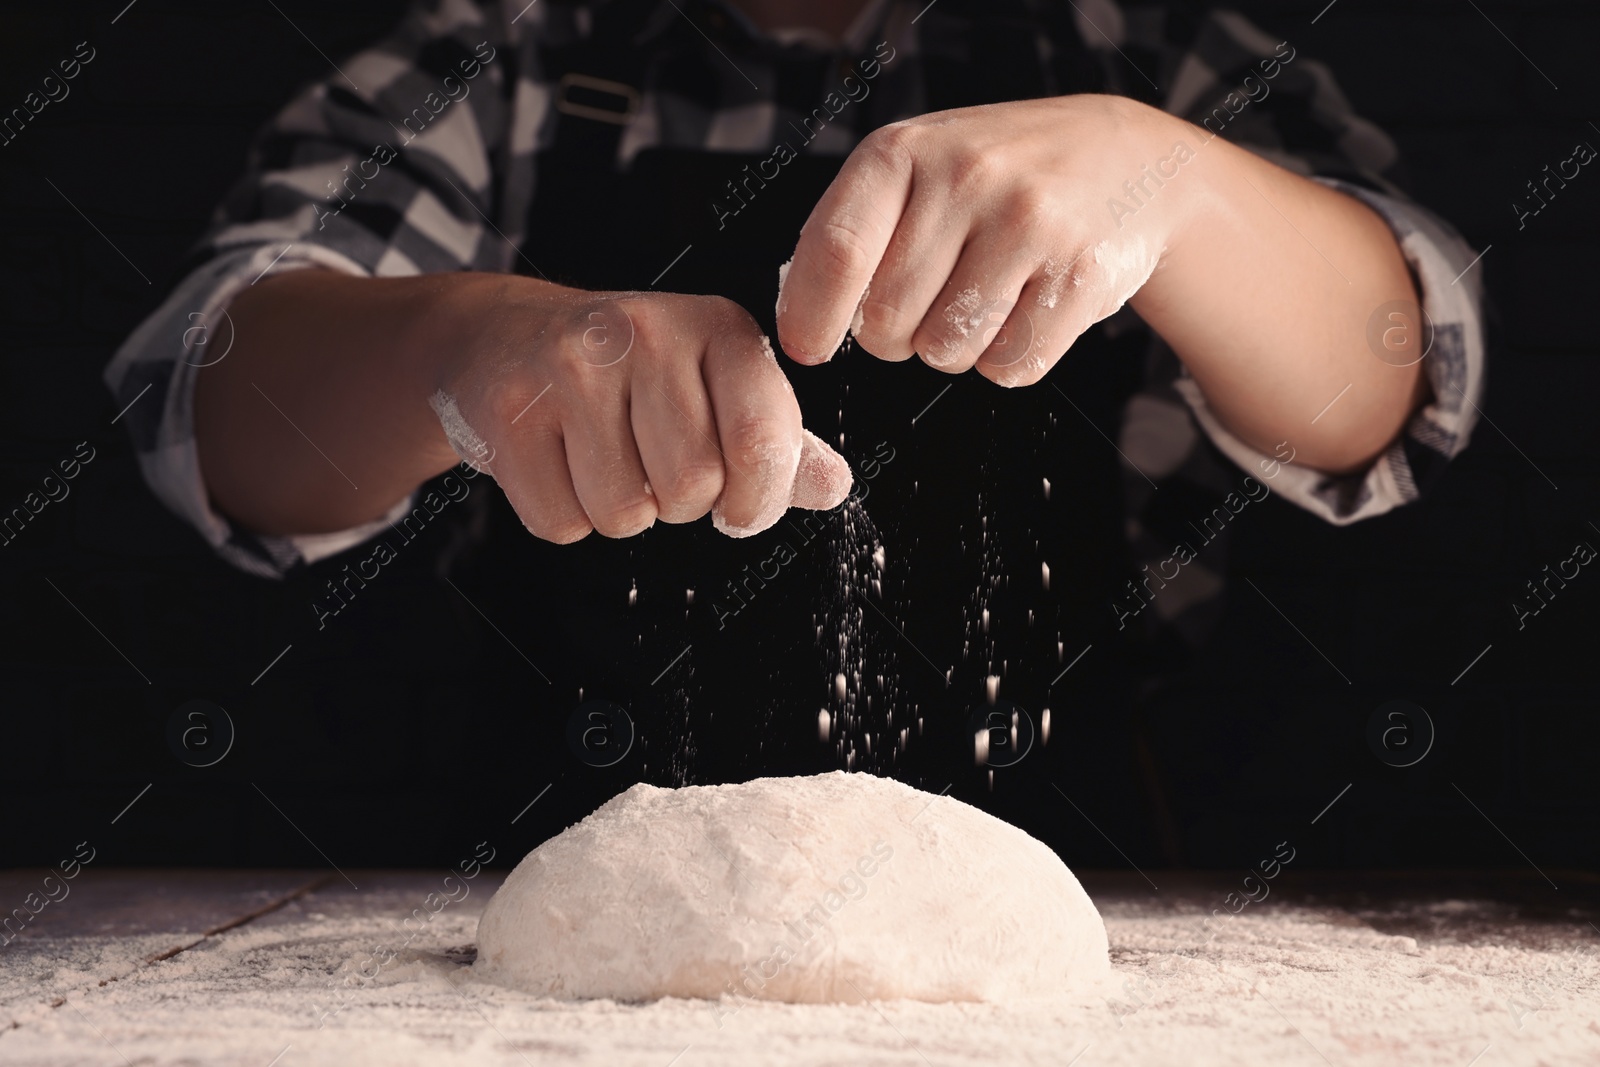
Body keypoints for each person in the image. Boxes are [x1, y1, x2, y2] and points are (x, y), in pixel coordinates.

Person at [104, 0, 1484, 786]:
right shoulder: (511, 55)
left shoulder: (1143, 47)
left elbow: (1395, 391)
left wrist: (1181, 185)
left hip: (1092, 862)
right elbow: (201, 410)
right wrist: (464, 342)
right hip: (557, 858)